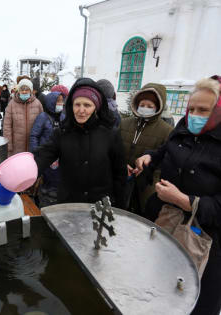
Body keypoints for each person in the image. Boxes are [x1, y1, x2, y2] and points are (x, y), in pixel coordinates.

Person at [135, 78, 221, 315]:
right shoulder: (182, 129)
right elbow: (164, 153)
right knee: (157, 286)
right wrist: (149, 159)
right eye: (191, 109)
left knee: (193, 300)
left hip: (204, 240)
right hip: (165, 222)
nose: (195, 115)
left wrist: (185, 200)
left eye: (203, 110)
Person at [33, 78, 126, 208]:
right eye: (77, 104)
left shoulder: (110, 134)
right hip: (69, 205)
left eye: (87, 105)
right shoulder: (61, 133)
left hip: (100, 206)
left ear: (96, 107)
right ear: (71, 106)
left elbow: (119, 174)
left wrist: (119, 207)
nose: (81, 110)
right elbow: (42, 157)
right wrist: (25, 171)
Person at [120, 83, 173, 214]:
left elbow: (166, 160)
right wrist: (120, 164)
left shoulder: (167, 130)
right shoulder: (124, 123)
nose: (145, 108)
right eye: (142, 105)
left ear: (158, 107)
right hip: (121, 179)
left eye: (150, 106)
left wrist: (147, 168)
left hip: (147, 185)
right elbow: (113, 148)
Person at [29, 92, 65, 207]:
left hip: (59, 157)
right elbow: (34, 135)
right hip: (44, 156)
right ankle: (42, 200)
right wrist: (35, 153)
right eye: (58, 101)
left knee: (57, 179)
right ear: (51, 103)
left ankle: (54, 198)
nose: (60, 104)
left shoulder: (63, 117)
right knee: (45, 179)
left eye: (61, 101)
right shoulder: (43, 117)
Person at [3, 79, 43, 156]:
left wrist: (40, 145)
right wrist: (9, 146)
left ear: (31, 90)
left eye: (27, 89)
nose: (24, 92)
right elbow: (7, 127)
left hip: (33, 147)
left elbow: (42, 125)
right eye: (22, 89)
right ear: (19, 90)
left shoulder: (38, 104)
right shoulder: (11, 104)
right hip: (16, 147)